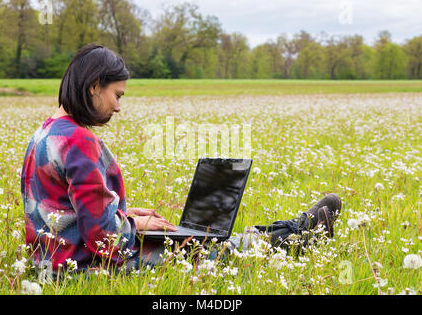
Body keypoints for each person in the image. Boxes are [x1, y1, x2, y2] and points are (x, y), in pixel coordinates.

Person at [20, 43, 342, 281]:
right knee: (202, 251)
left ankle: (291, 231)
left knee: (194, 239)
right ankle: (298, 236)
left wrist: (125, 213)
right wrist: (134, 225)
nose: (118, 107)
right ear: (94, 87)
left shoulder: (45, 134)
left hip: (53, 264)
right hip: (84, 270)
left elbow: (65, 213)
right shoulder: (79, 142)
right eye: (117, 95)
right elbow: (105, 240)